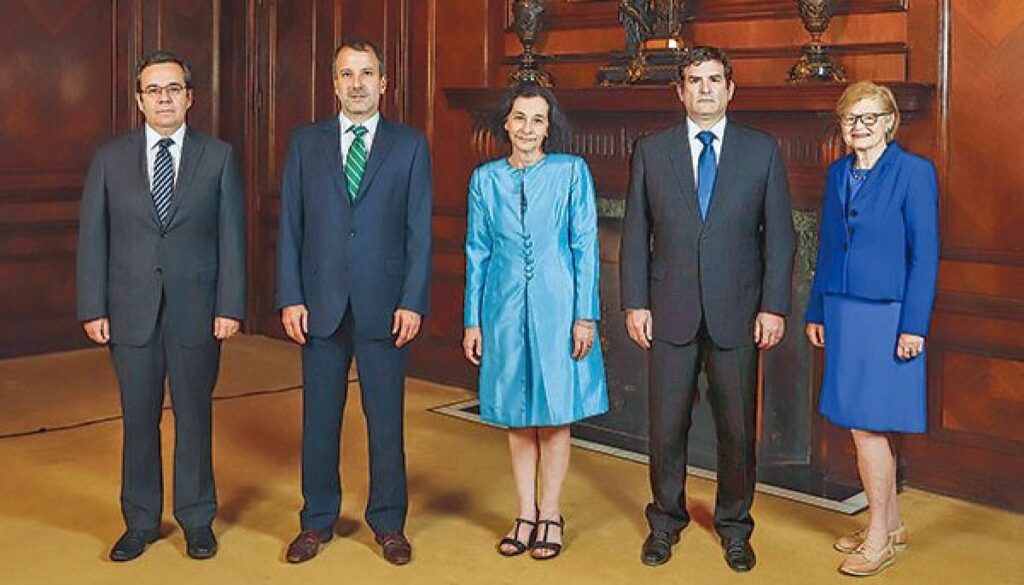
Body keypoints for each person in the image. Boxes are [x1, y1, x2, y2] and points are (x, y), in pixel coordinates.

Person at [620, 46, 795, 571]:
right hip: (668, 310)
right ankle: (665, 522)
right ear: (680, 91)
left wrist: (774, 307)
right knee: (666, 428)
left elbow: (780, 237)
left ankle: (735, 527)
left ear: (730, 89)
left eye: (714, 80)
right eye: (694, 80)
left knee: (737, 431)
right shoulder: (651, 151)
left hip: (738, 313)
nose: (704, 89)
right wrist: (635, 302)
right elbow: (635, 234)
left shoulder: (761, 151)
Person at [76, 50, 246, 562]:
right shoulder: (109, 159)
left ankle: (197, 519)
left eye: (173, 89)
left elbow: (232, 238)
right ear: (139, 101)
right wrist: (92, 307)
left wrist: (230, 306)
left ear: (190, 98)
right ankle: (141, 522)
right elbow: (93, 236)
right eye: (154, 90)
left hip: (199, 311)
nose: (164, 98)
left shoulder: (218, 157)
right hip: (130, 311)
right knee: (138, 420)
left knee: (195, 418)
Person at [276, 39, 432, 566]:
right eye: (347, 74)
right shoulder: (305, 144)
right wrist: (290, 296)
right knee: (319, 420)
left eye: (367, 73)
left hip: (385, 307)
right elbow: (290, 227)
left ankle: (389, 523)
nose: (357, 83)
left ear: (384, 83)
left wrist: (412, 301)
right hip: (318, 303)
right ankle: (316, 520)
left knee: (385, 422)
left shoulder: (409, 146)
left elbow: (419, 231)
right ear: (334, 84)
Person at [462, 84, 608, 561]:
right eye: (520, 118)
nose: (527, 128)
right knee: (516, 412)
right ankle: (525, 513)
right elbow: (477, 252)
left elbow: (586, 246)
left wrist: (585, 315)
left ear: (549, 128)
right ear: (506, 123)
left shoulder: (571, 172)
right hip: (502, 308)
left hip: (559, 306)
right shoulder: (485, 179)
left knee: (555, 413)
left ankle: (551, 513)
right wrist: (472, 321)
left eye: (537, 120)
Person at [804, 81, 938, 577]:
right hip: (842, 312)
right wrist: (816, 310)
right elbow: (827, 247)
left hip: (888, 316)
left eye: (868, 117)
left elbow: (925, 256)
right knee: (859, 423)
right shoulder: (838, 172)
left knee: (868, 427)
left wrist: (914, 326)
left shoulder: (914, 172)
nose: (858, 127)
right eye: (849, 118)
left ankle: (878, 538)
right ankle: (892, 523)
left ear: (889, 122)